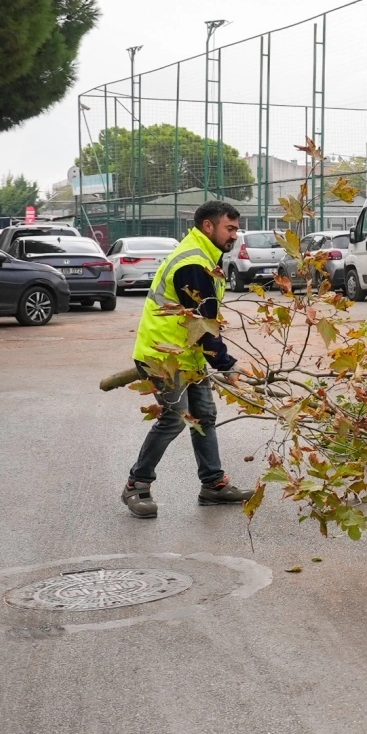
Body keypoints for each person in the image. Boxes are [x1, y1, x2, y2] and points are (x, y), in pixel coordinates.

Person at [120, 200, 250, 518]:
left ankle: (213, 485)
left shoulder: (203, 255)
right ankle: (136, 485)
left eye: (236, 229)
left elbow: (203, 321)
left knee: (203, 417)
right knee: (174, 419)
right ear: (208, 226)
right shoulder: (193, 263)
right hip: (162, 356)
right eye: (229, 228)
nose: (235, 235)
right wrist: (226, 364)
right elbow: (201, 323)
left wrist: (218, 359)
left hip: (187, 355)